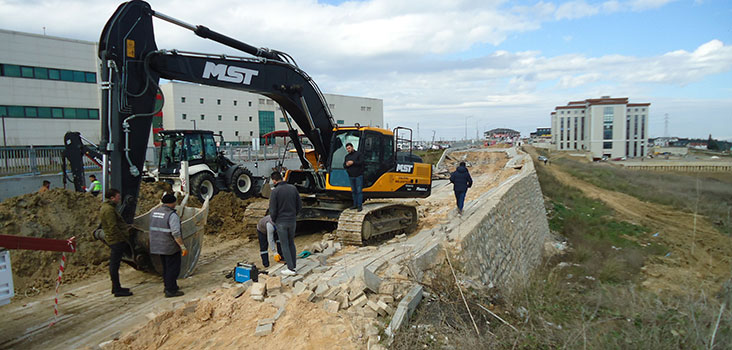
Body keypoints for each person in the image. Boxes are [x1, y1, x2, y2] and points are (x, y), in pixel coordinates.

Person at [149, 193, 187, 298]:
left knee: (166, 268)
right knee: (173, 269)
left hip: (157, 245)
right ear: (172, 203)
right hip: (169, 246)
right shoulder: (172, 215)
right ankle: (171, 291)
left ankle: (169, 286)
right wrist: (182, 246)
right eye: (175, 202)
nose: (175, 204)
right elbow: (175, 233)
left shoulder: (154, 213)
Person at [100, 188, 133, 297]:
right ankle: (117, 289)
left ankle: (116, 287)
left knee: (115, 264)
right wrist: (122, 237)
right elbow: (112, 226)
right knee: (114, 265)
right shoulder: (109, 210)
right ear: (112, 198)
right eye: (118, 197)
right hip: (116, 240)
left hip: (114, 239)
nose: (119, 199)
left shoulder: (107, 207)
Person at [268, 171, 302, 276]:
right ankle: (294, 265)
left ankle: (290, 268)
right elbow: (299, 205)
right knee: (291, 242)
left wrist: (274, 220)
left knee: (284, 244)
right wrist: (294, 214)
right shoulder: (293, 188)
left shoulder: (275, 192)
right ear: (281, 178)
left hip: (281, 221)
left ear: (274, 180)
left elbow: (272, 210)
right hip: (292, 220)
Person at [343, 142, 364, 211]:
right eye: (347, 149)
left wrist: (353, 162)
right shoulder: (347, 156)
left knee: (359, 191)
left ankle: (359, 206)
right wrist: (347, 165)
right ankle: (354, 205)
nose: (348, 150)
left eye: (349, 148)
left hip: (358, 176)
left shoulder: (358, 154)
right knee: (353, 191)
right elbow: (344, 165)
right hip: (351, 176)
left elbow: (361, 162)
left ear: (352, 147)